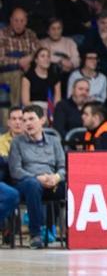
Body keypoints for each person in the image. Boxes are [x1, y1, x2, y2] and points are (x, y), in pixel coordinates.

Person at [8, 104, 66, 249]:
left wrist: (56, 178)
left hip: (52, 182)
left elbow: (64, 167)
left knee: (74, 186)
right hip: (28, 183)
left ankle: (75, 233)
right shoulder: (17, 142)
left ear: (42, 120)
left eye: (31, 119)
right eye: (24, 120)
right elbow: (15, 171)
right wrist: (37, 177)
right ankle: (36, 234)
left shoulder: (54, 141)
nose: (27, 123)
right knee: (32, 185)